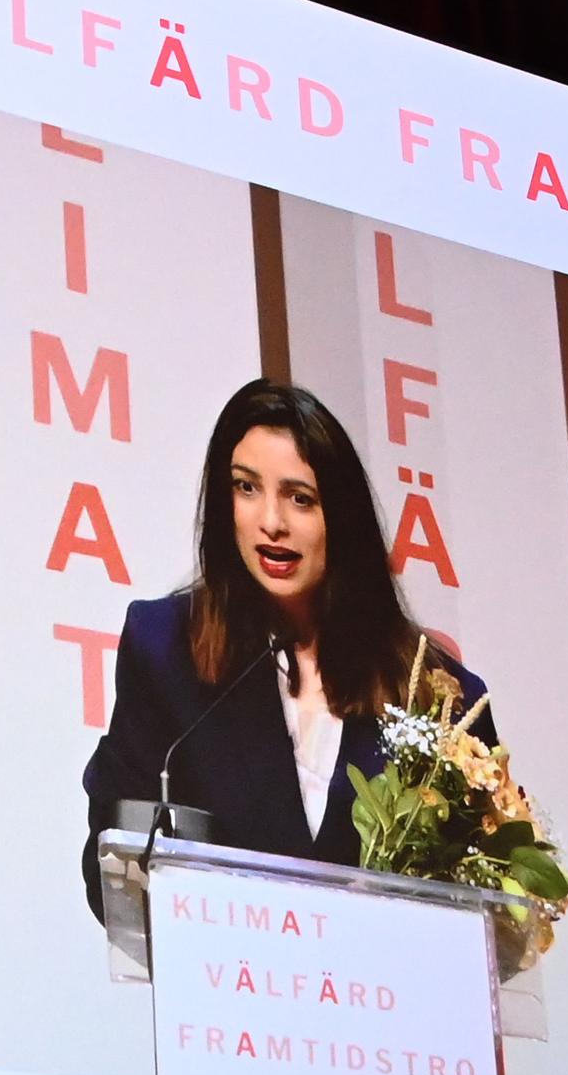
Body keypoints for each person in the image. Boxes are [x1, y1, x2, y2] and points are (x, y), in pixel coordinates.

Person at [79, 380, 485, 914]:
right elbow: (110, 862)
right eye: (246, 488)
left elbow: (480, 903)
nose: (271, 521)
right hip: (229, 988)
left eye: (300, 498)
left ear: (341, 518)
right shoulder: (165, 648)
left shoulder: (437, 696)